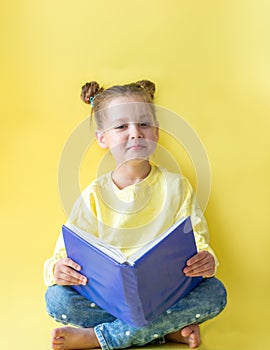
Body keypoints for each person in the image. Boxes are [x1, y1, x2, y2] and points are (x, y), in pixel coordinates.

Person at [44, 80, 227, 350]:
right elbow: (65, 253)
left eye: (144, 124)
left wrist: (206, 260)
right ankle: (165, 331)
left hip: (166, 295)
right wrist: (57, 270)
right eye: (121, 127)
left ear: (157, 132)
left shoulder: (177, 186)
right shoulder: (94, 195)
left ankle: (99, 337)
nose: (135, 133)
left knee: (215, 294)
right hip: (110, 300)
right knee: (57, 300)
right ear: (102, 138)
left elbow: (198, 238)